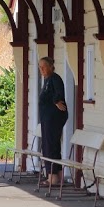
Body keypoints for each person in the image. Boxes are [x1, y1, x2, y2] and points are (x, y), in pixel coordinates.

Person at [38, 56, 69, 187]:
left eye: (43, 67)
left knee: (50, 146)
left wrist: (56, 101)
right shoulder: (47, 80)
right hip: (47, 118)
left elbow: (59, 93)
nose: (41, 69)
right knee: (51, 146)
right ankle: (57, 176)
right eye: (40, 67)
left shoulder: (55, 79)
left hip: (53, 119)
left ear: (51, 66)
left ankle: (52, 177)